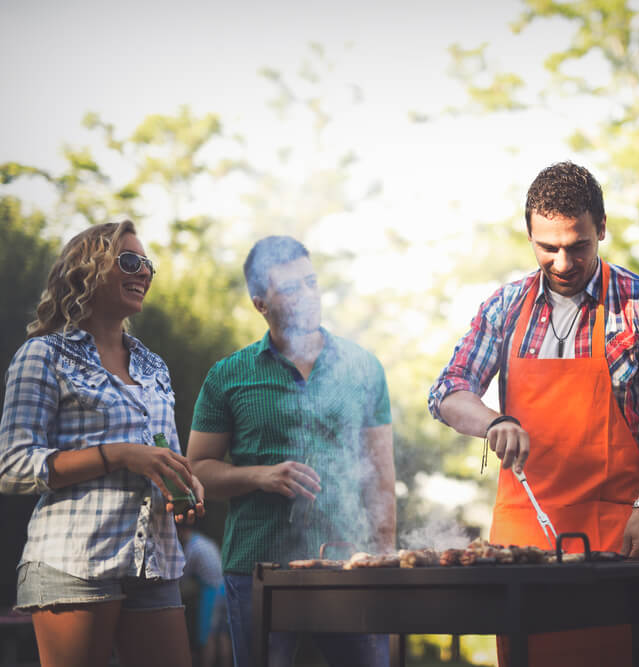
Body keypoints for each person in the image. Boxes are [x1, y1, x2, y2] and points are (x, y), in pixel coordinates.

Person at [429, 161, 639, 667]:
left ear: (602, 228)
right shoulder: (505, 306)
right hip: (523, 541)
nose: (564, 261)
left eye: (578, 245)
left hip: (616, 529)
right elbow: (449, 388)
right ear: (530, 234)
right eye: (547, 247)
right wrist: (494, 421)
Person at [0, 220, 205, 667]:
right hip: (74, 562)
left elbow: (164, 455)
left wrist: (185, 483)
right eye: (130, 260)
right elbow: (13, 466)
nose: (144, 273)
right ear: (86, 270)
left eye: (148, 265)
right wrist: (120, 455)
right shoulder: (43, 355)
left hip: (154, 564)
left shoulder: (154, 365)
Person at [187, 235, 395, 667]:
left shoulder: (363, 367)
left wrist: (386, 563)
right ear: (260, 303)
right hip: (258, 569)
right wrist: (260, 476)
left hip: (348, 567)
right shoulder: (228, 376)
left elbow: (381, 477)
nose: (307, 296)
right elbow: (196, 472)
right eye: (290, 288)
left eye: (311, 282)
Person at [177, 524, 231, 667]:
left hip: (212, 591)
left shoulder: (192, 547)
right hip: (225, 588)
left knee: (206, 636)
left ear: (181, 531)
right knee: (222, 635)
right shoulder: (205, 541)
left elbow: (182, 576)